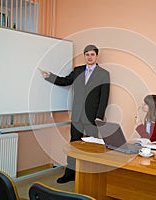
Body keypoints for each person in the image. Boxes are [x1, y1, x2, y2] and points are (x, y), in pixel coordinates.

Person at [40, 44, 110, 183]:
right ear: (84, 56)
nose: (89, 57)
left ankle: (89, 176)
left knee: (91, 147)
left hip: (92, 116)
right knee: (74, 144)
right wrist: (50, 76)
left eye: (92, 54)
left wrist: (99, 116)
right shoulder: (77, 70)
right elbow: (65, 81)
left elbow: (104, 96)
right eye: (87, 54)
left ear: (96, 56)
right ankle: (70, 174)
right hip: (77, 114)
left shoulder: (104, 73)